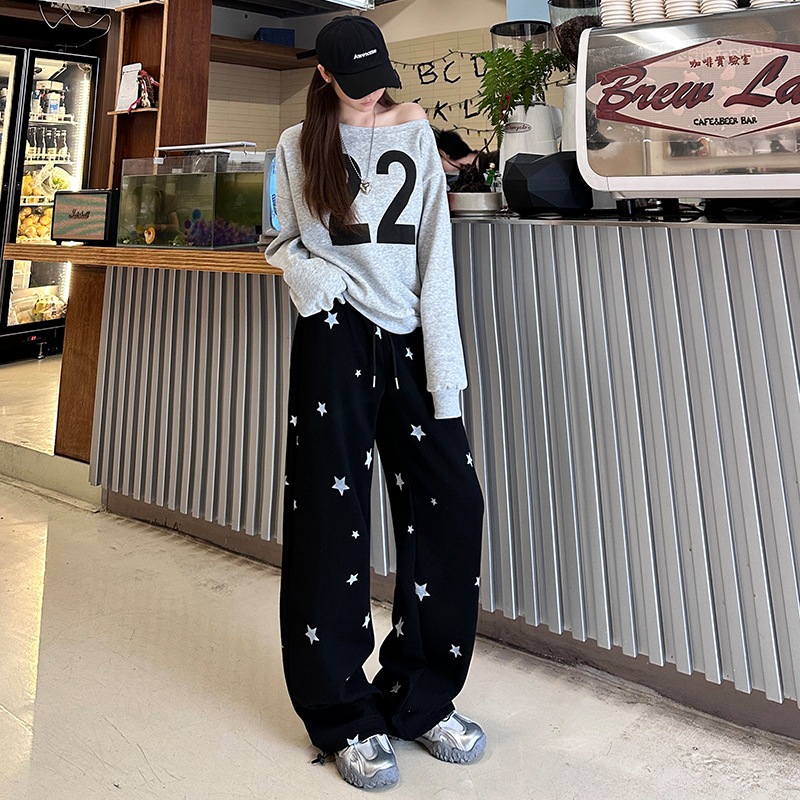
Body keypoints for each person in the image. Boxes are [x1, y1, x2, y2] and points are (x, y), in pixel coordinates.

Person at [265, 15, 486, 791]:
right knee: (330, 519)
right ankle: (341, 713)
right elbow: (279, 241)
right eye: (354, 83)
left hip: (410, 333)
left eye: (378, 80)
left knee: (453, 504)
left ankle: (420, 696)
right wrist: (322, 284)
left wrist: (444, 371)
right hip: (334, 335)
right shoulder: (297, 145)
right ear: (324, 75)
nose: (371, 95)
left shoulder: (416, 129)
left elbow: (435, 253)